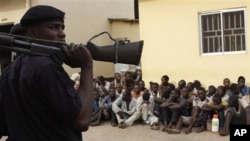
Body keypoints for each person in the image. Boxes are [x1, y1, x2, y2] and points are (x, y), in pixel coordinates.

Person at [0, 5, 93, 141]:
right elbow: (82, 121)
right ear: (33, 32)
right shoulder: (46, 66)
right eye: (53, 27)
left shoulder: (11, 70)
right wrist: (87, 66)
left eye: (62, 27)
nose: (62, 33)